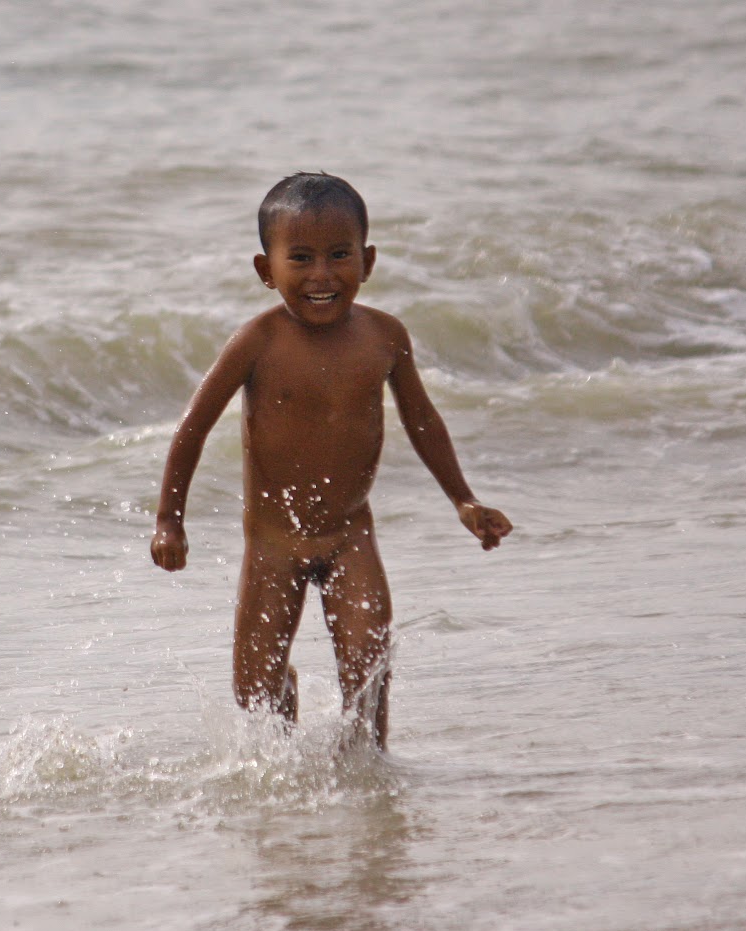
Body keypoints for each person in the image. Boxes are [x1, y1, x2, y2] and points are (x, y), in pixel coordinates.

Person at [150, 173, 512, 748]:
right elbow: (192, 428)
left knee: (369, 672)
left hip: (350, 537)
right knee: (257, 696)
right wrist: (170, 518)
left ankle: (368, 784)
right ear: (266, 270)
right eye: (301, 258)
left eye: (339, 255)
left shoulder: (384, 338)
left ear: (367, 262)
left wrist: (463, 499)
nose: (322, 274)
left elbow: (422, 420)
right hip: (273, 543)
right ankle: (287, 723)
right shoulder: (257, 342)